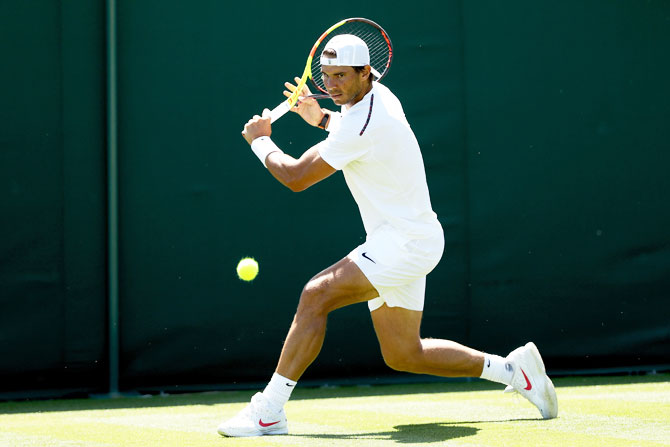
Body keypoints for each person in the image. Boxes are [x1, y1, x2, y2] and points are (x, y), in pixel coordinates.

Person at [217, 34, 557, 437]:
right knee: (403, 353)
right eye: (326, 77)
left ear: (366, 72)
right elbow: (349, 131)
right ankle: (513, 370)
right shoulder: (379, 98)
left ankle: (268, 411)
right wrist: (322, 118)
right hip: (409, 240)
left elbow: (296, 177)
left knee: (316, 294)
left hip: (404, 244)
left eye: (341, 76)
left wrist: (261, 141)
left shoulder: (361, 123)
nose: (331, 86)